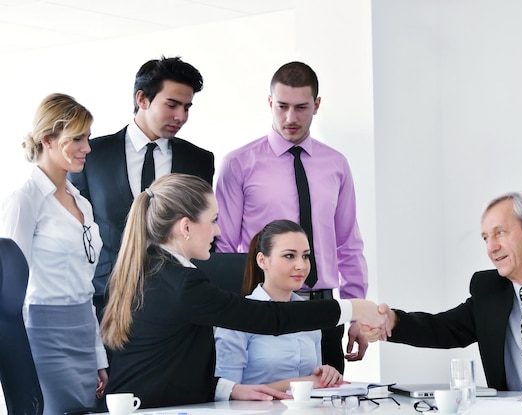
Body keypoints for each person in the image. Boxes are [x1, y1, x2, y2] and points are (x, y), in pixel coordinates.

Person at [100, 173, 386, 409]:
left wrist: (230, 389)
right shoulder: (183, 284)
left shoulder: (148, 270)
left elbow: (168, 362)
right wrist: (354, 308)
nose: (218, 232)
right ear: (186, 226)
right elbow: (269, 318)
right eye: (212, 220)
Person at [365, 192, 522, 395]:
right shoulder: (488, 290)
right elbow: (442, 328)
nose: (492, 248)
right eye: (485, 238)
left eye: (500, 233)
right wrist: (393, 322)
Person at [215, 61, 368, 373]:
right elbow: (225, 248)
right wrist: (233, 315)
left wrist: (357, 314)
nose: (290, 118)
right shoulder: (238, 164)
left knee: (327, 402)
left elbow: (348, 244)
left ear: (317, 105)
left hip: (324, 309)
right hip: (263, 309)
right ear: (270, 103)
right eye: (282, 106)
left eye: (301, 107)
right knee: (264, 400)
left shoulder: (336, 164)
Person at [69, 56, 214, 320]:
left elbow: (203, 230)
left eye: (187, 107)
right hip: (108, 300)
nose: (181, 116)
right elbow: (77, 232)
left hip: (177, 303)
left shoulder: (200, 161)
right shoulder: (92, 156)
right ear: (142, 99)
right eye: (172, 105)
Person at [0, 93, 108, 414]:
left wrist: (98, 356)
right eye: (77, 138)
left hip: (84, 333)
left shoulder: (83, 204)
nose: (87, 147)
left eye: (87, 137)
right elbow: (8, 293)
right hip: (44, 338)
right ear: (48, 139)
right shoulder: (25, 201)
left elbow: (85, 287)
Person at [215, 219, 342, 391]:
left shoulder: (309, 315)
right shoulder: (238, 317)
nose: (301, 265)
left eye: (305, 256)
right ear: (262, 261)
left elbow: (313, 381)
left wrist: (325, 375)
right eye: (289, 256)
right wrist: (301, 384)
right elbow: (227, 392)